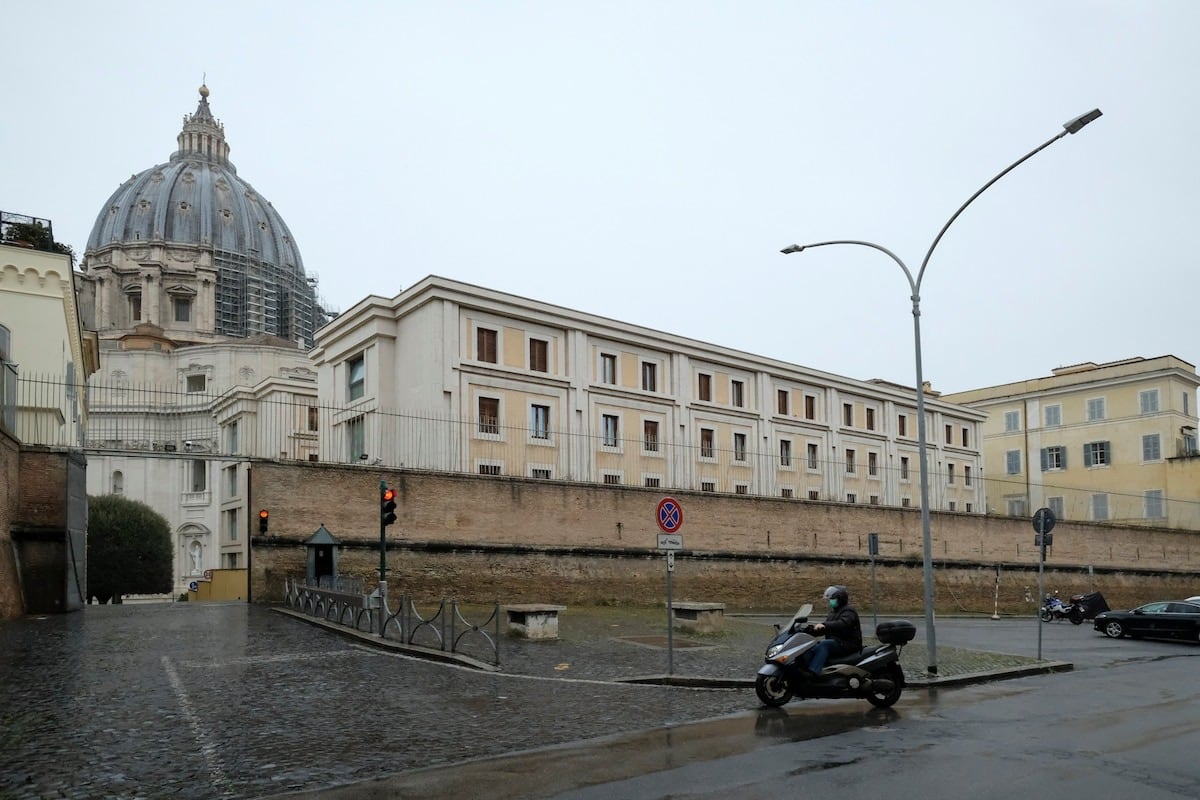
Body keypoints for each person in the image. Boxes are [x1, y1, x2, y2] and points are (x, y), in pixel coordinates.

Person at [800, 585, 863, 678]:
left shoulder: (849, 611)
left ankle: (813, 672)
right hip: (837, 642)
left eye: (832, 599)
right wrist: (808, 631)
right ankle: (804, 668)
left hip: (849, 643)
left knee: (824, 645)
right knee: (813, 645)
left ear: (840, 599)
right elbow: (826, 628)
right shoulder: (833, 613)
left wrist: (825, 625)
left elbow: (842, 623)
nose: (830, 601)